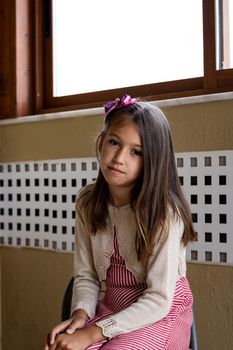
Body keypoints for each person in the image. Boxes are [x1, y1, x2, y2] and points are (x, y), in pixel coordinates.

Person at [44, 94, 197, 350]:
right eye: (114, 142)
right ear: (101, 141)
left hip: (161, 315)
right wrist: (80, 318)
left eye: (136, 152)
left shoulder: (165, 213)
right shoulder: (87, 202)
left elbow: (159, 299)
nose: (119, 158)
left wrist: (93, 334)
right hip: (113, 308)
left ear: (153, 161)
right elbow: (86, 276)